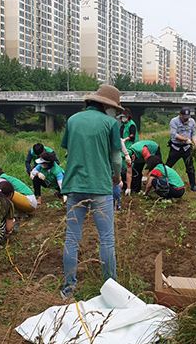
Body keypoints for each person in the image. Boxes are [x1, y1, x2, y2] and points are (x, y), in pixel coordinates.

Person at [60, 84, 123, 298]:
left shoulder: (72, 120)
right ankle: (110, 288)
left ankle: (68, 288)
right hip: (100, 187)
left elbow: (69, 149)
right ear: (108, 106)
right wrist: (117, 176)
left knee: (71, 238)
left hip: (74, 187)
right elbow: (116, 158)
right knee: (106, 239)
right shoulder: (110, 123)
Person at [166, 107, 196, 192]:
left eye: (187, 117)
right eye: (184, 117)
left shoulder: (192, 122)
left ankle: (193, 185)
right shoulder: (174, 121)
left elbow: (194, 134)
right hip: (175, 148)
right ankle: (164, 182)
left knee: (190, 167)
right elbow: (174, 135)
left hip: (186, 148)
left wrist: (195, 143)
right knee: (168, 166)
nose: (186, 119)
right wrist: (185, 139)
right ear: (180, 115)